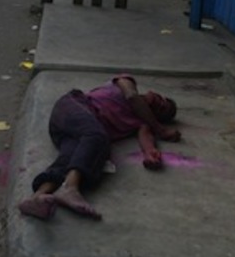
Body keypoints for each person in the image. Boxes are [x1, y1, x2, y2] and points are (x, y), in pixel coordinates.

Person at [18, 74, 180, 221]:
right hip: (73, 107)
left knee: (72, 157)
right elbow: (132, 97)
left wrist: (151, 155)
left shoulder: (141, 124)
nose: (160, 103)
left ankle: (37, 198)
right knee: (99, 137)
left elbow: (147, 141)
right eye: (162, 99)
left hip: (71, 131)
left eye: (162, 110)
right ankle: (70, 188)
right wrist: (161, 129)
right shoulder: (127, 82)